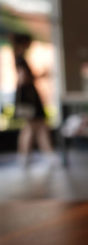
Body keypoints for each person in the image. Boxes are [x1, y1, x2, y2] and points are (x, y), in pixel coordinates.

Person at [12, 33, 55, 167]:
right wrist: (40, 75)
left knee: (36, 126)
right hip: (28, 98)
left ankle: (39, 154)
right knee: (33, 127)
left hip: (28, 97)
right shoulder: (20, 59)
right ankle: (29, 155)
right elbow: (23, 79)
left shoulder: (19, 58)